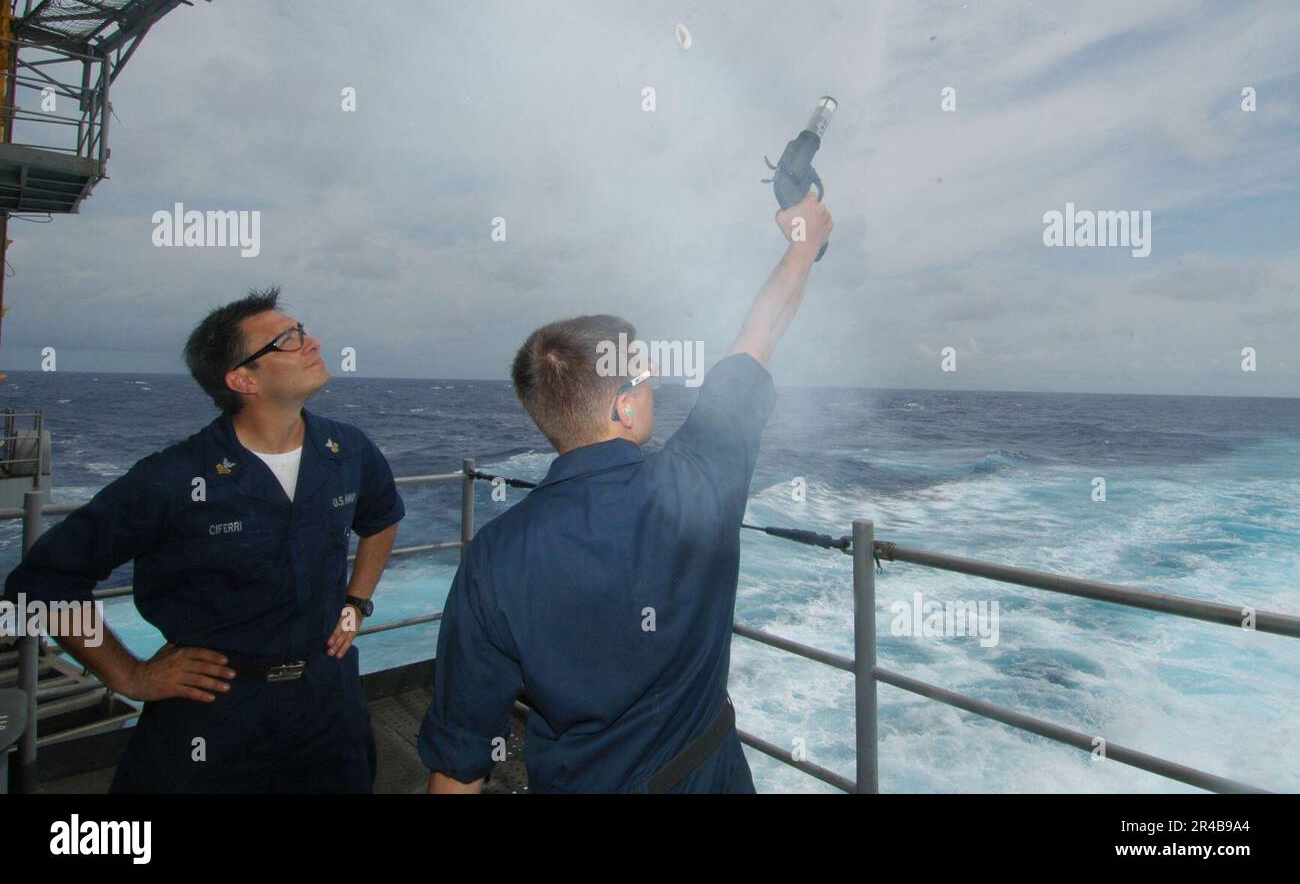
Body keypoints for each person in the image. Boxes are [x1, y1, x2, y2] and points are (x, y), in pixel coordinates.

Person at [418, 191, 833, 793]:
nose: (654, 381)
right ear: (622, 403)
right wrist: (804, 242)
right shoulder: (697, 480)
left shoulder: (493, 556)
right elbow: (760, 333)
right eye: (643, 372)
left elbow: (458, 761)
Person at [2, 287, 404, 792]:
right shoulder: (173, 479)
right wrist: (128, 676)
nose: (312, 342)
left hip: (329, 701)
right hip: (214, 712)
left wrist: (356, 603)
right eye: (287, 339)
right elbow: (41, 583)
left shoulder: (348, 449)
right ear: (242, 379)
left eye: (301, 330)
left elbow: (382, 517)